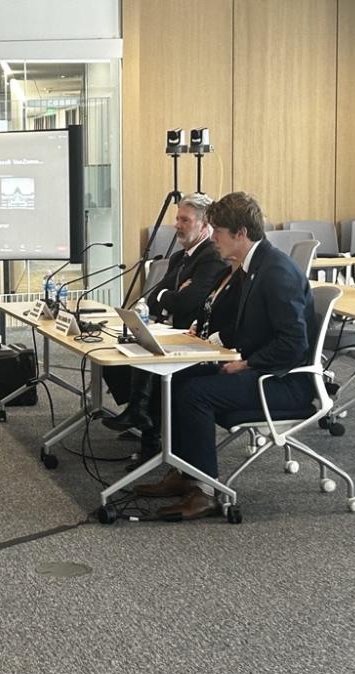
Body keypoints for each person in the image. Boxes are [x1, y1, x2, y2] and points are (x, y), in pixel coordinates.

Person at [134, 192, 317, 520]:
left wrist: (246, 363)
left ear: (241, 234)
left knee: (194, 394)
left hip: (284, 382)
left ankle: (205, 491)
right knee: (179, 378)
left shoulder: (276, 271)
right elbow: (251, 327)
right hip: (266, 371)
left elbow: (294, 343)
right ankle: (185, 473)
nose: (212, 236)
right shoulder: (254, 266)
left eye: (218, 230)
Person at [102, 194, 227, 467]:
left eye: (185, 220)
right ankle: (142, 417)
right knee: (115, 350)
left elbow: (187, 301)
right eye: (177, 219)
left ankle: (148, 428)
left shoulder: (211, 258)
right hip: (171, 328)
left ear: (205, 225)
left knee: (147, 357)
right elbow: (157, 294)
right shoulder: (181, 257)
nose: (178, 225)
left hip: (196, 337)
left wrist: (169, 297)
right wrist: (169, 296)